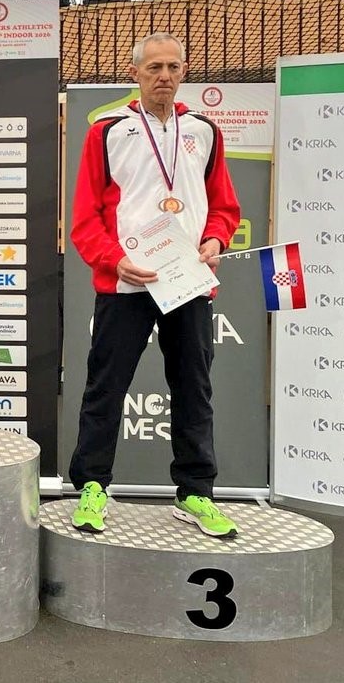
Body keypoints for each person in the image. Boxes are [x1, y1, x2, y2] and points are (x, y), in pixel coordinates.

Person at [68, 32, 241, 538]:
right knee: (106, 387)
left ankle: (195, 492)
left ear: (183, 71)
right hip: (126, 282)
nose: (164, 76)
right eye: (154, 68)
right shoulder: (107, 131)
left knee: (193, 389)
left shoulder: (204, 131)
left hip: (187, 283)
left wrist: (215, 239)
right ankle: (92, 486)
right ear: (135, 73)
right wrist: (114, 260)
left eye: (173, 67)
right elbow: (85, 217)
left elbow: (223, 206)